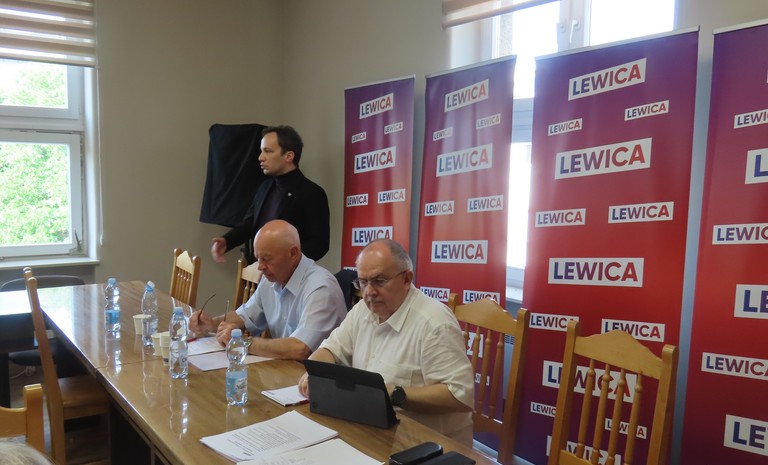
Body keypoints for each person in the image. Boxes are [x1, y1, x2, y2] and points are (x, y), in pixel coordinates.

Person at [298, 239, 474, 444]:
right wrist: (314, 374)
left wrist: (394, 394)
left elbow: (459, 396)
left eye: (379, 281)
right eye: (363, 282)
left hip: (427, 444)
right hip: (373, 429)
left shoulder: (434, 324)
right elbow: (330, 349)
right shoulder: (363, 309)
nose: (369, 292)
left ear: (406, 279)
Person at [192, 220, 346, 360]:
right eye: (258, 258)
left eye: (266, 259)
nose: (260, 267)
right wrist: (212, 324)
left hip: (316, 376)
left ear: (293, 253)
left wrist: (244, 342)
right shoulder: (271, 278)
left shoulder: (320, 288)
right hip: (286, 369)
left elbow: (300, 349)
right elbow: (245, 316)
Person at [210, 125, 330, 264]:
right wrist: (227, 240)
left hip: (290, 275)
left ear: (289, 156)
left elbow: (319, 244)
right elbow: (250, 223)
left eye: (268, 151)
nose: (260, 157)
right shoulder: (264, 187)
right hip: (258, 270)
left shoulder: (311, 193)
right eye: (261, 151)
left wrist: (285, 264)